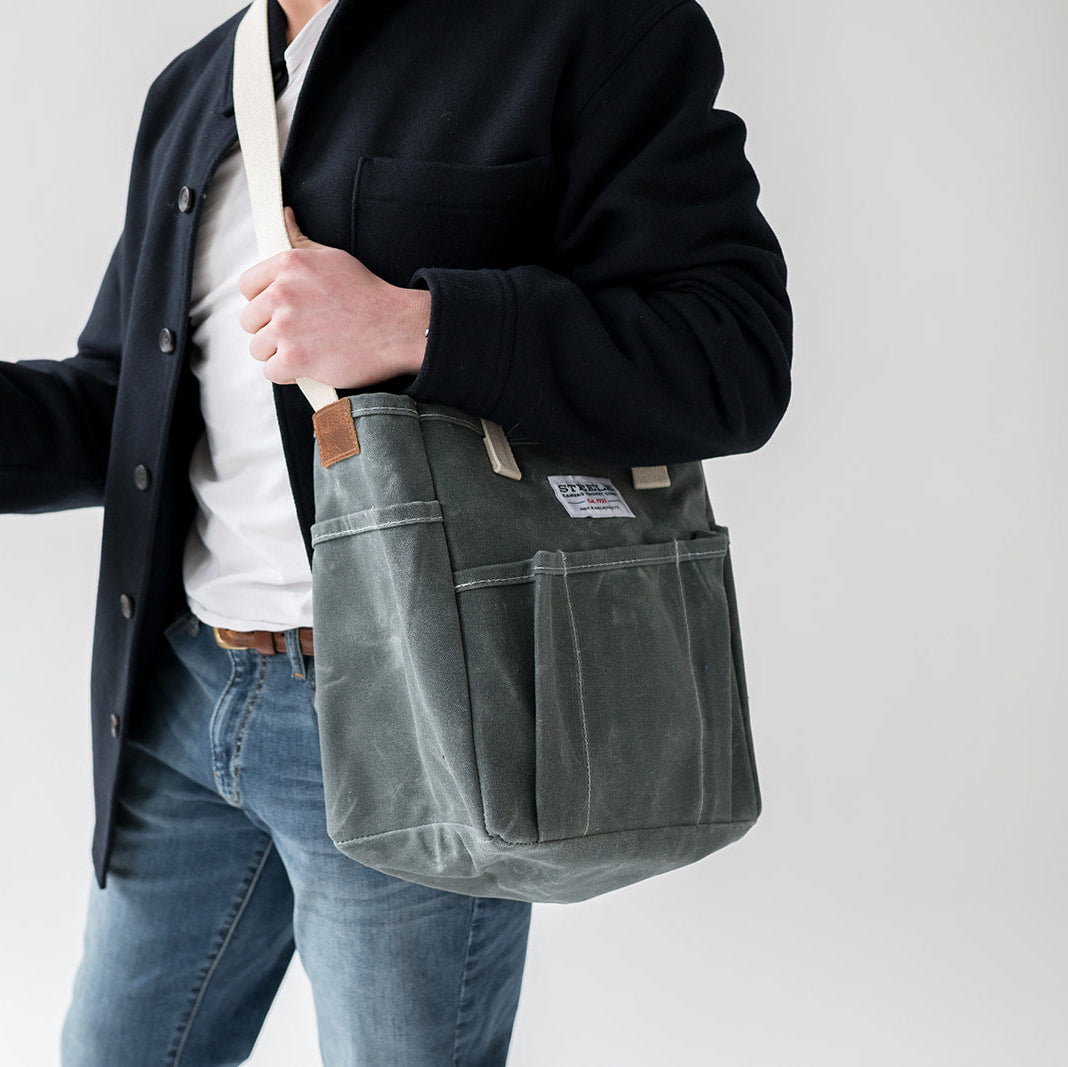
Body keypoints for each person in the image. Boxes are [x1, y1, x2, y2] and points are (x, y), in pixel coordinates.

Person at [0, 0, 792, 1061]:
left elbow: (733, 353)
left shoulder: (585, 25)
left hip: (414, 716)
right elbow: (122, 403)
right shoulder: (197, 86)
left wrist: (415, 325)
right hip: (184, 704)